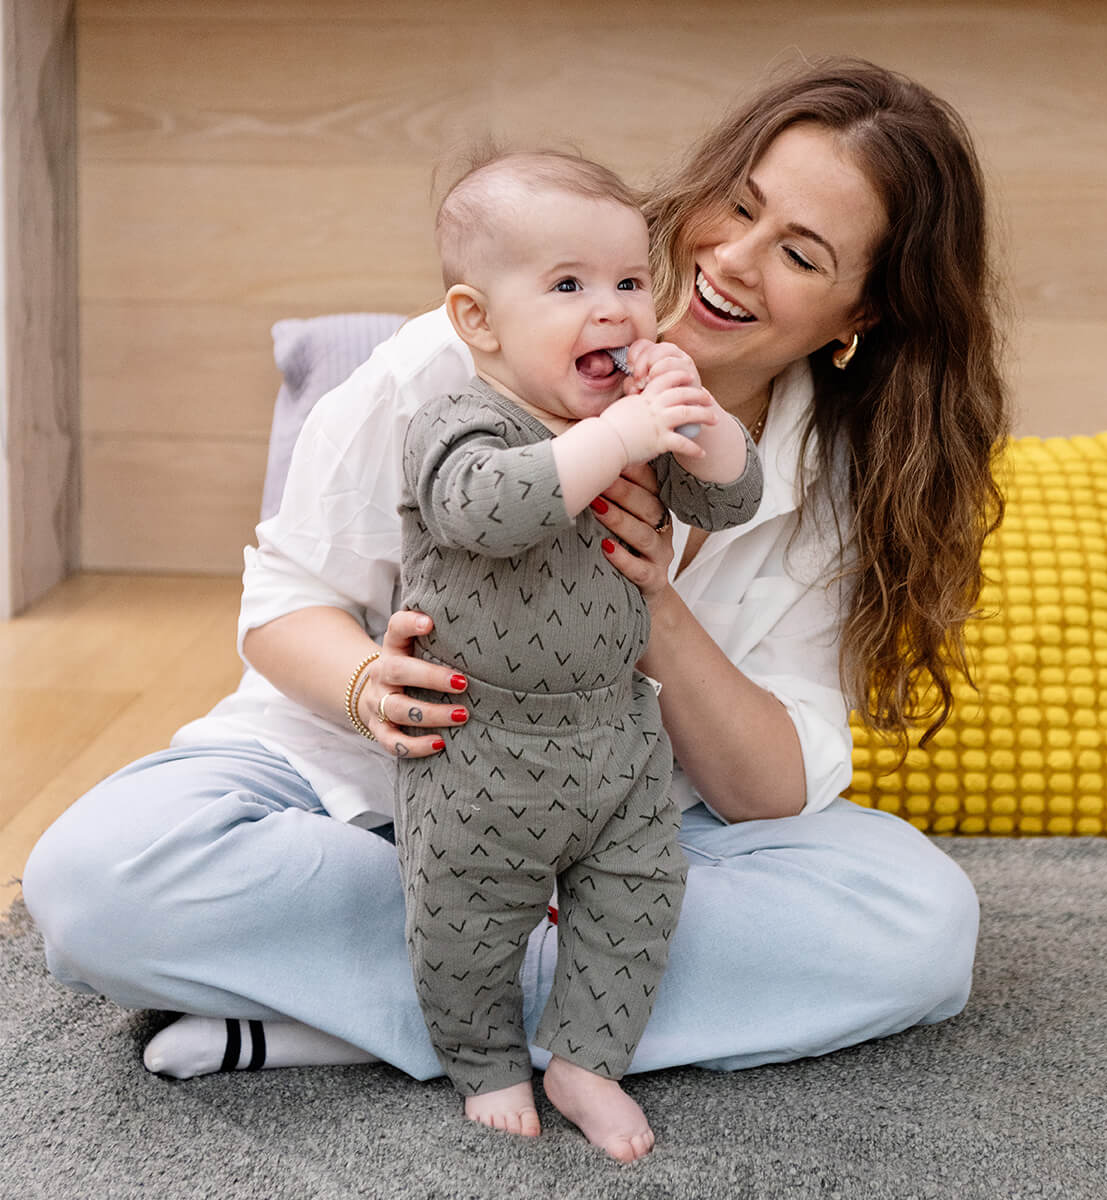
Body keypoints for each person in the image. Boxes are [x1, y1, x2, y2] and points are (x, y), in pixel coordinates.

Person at [22, 54, 1006, 1148]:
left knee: (921, 927)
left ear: (855, 313)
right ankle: (530, 1010)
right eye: (740, 203)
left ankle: (358, 1014)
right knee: (91, 877)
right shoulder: (458, 357)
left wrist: (657, 605)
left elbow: (773, 789)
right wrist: (361, 684)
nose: (730, 259)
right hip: (370, 802)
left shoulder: (825, 470)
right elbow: (285, 601)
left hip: (621, 835)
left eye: (799, 253)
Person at [392, 149, 761, 1158]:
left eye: (631, 282)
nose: (614, 310)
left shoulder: (631, 426)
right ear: (479, 321)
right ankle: (485, 1060)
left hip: (617, 738)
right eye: (568, 286)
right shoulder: (457, 421)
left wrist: (700, 421)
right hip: (480, 749)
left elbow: (728, 499)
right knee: (462, 918)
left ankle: (587, 1058)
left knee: (640, 900)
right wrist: (625, 430)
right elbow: (490, 507)